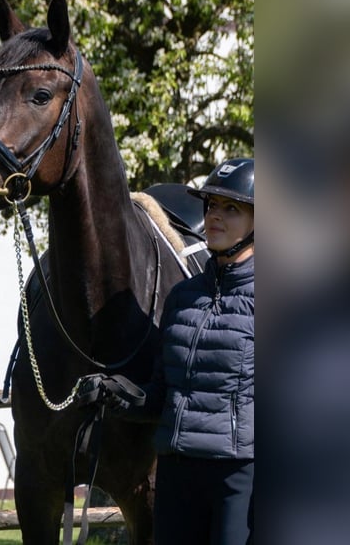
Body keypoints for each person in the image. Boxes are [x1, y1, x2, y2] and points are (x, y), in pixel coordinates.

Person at [90, 158, 254, 544]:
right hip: (177, 470)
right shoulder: (182, 297)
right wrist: (119, 397)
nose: (215, 216)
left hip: (240, 473)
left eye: (231, 208)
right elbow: (164, 393)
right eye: (212, 205)